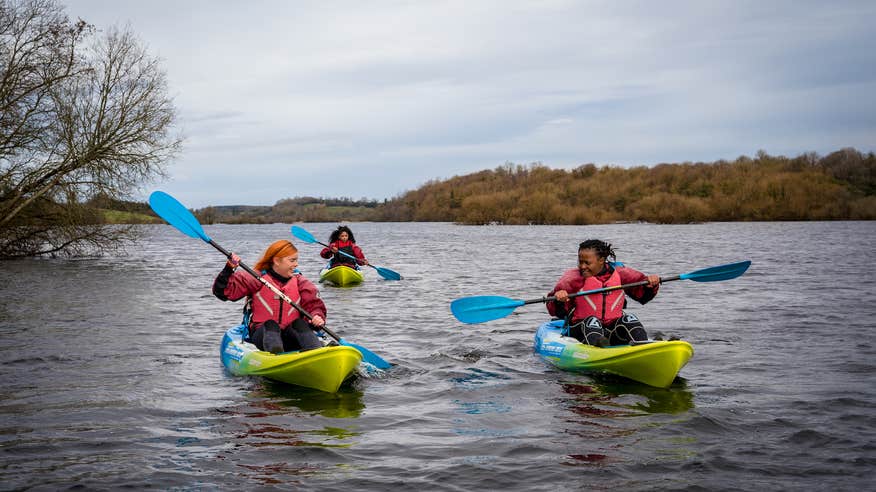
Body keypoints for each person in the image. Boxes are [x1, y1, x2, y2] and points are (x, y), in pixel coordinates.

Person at [213, 239, 327, 354]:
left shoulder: (300, 282)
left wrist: (317, 316)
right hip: (262, 335)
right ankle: (275, 355)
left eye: (296, 260)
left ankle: (316, 353)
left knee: (300, 324)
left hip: (291, 336)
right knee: (271, 325)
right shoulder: (256, 278)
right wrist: (229, 268)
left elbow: (314, 304)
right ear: (277, 261)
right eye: (292, 260)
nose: (296, 264)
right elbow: (223, 292)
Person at [547, 239, 661, 347]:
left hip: (611, 331)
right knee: (592, 322)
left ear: (601, 260)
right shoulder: (572, 278)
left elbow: (643, 297)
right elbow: (555, 310)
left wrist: (651, 284)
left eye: (587, 263)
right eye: (580, 262)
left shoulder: (621, 274)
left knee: (629, 319)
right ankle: (597, 350)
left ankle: (644, 347)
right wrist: (558, 299)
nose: (582, 267)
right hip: (580, 331)